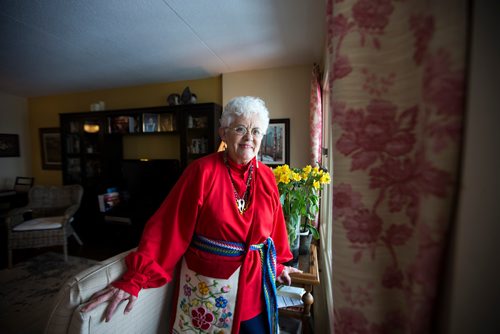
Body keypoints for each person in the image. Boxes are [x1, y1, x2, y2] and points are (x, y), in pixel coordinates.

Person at [82, 96, 301, 333]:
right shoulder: (201, 171)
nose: (249, 137)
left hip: (255, 288)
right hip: (209, 287)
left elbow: (274, 229)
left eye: (257, 131)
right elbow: (169, 227)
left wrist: (278, 266)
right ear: (223, 133)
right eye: (240, 129)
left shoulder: (267, 177)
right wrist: (135, 278)